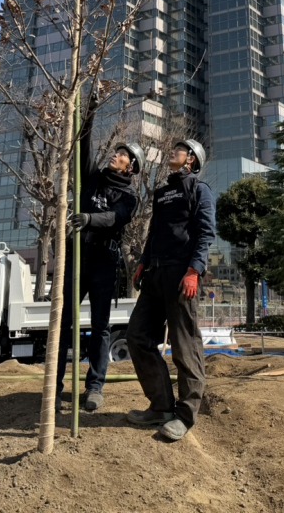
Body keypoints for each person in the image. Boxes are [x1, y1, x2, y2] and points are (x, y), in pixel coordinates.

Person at [55, 96, 142, 413]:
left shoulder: (129, 196)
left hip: (105, 261)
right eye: (116, 152)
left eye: (121, 155)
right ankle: (55, 386)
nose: (115, 156)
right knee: (63, 321)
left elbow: (115, 218)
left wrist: (89, 219)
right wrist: (89, 112)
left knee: (101, 326)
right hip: (78, 255)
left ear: (130, 166)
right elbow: (82, 146)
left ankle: (95, 387)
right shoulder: (92, 177)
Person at [126, 138, 215, 442]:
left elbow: (205, 233)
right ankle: (162, 406)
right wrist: (143, 262)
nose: (171, 153)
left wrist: (194, 271)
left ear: (191, 159)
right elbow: (154, 233)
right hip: (155, 273)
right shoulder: (163, 193)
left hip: (181, 275)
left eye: (177, 150)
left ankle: (186, 414)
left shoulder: (199, 190)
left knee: (184, 345)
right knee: (137, 336)